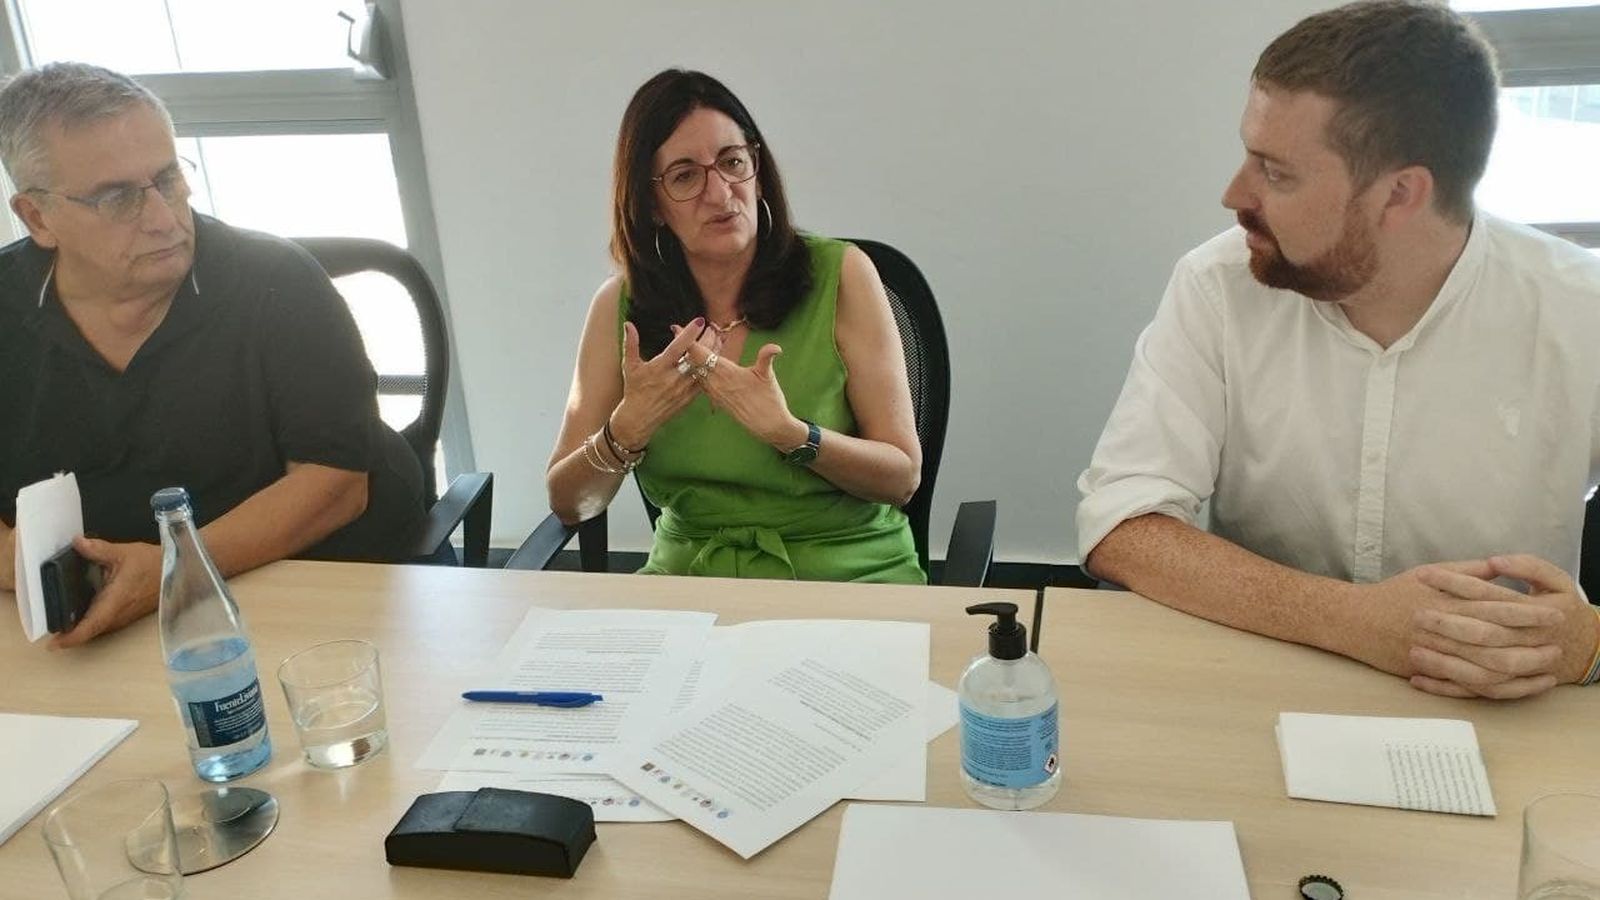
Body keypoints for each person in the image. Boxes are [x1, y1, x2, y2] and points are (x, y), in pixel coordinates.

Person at [1077, 0, 1600, 698]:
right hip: (1265, 681)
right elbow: (1124, 525)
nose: (1234, 194)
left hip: (1503, 705)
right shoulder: (1218, 285)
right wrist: (1355, 621)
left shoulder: (1580, 311)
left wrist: (1589, 643)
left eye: (1277, 173)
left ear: (1400, 194)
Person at [0, 62, 426, 647]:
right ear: (37, 217)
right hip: (89, 621)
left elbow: (334, 484)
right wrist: (21, 567)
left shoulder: (276, 282)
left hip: (306, 585)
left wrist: (177, 571)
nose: (162, 218)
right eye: (117, 198)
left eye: (168, 177)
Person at [546, 69, 923, 583]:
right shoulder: (619, 307)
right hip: (690, 580)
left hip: (846, 572)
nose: (720, 194)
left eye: (732, 163)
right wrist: (625, 430)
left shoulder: (844, 275)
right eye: (684, 175)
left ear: (758, 169)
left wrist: (791, 435)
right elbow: (571, 506)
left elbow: (902, 478)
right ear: (651, 205)